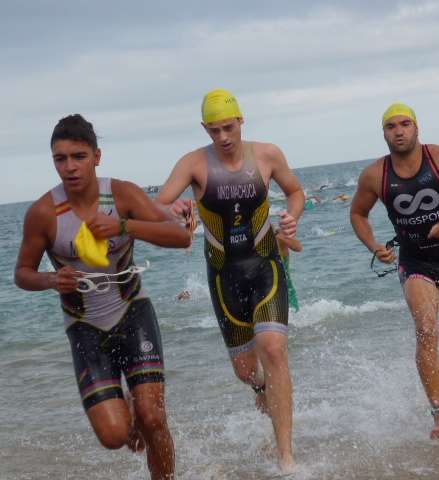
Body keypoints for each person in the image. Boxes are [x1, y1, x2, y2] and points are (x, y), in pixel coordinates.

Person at [14, 114, 190, 480]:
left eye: (78, 156)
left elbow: (179, 236)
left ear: (97, 157)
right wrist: (51, 279)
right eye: (60, 159)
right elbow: (22, 274)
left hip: (132, 311)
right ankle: (129, 407)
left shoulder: (121, 194)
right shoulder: (44, 213)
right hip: (85, 326)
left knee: (153, 417)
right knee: (115, 437)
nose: (70, 167)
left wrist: (123, 225)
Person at [157, 88, 305, 473]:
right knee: (246, 371)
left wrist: (292, 216)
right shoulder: (193, 163)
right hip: (225, 275)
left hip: (265, 264)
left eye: (228, 127)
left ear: (241, 121)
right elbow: (159, 203)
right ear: (204, 129)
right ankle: (263, 390)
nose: (223, 137)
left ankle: (286, 456)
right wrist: (177, 210)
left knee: (273, 348)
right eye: (214, 130)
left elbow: (295, 191)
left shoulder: (267, 155)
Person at [350, 102, 439, 440]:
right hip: (415, 263)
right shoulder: (375, 175)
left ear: (417, 127)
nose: (398, 131)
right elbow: (358, 214)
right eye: (391, 126)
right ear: (383, 133)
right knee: (427, 329)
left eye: (405, 124)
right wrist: (374, 245)